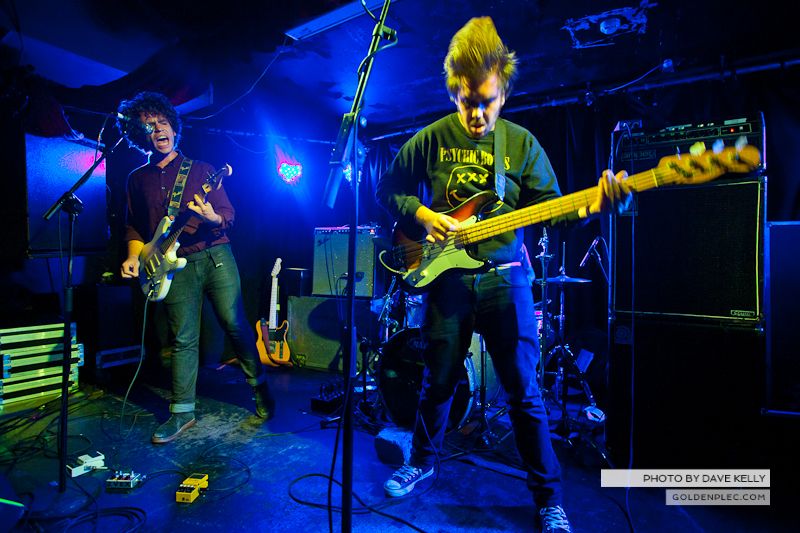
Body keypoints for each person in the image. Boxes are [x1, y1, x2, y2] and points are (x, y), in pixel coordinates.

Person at [375, 17, 630, 532]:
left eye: (487, 100)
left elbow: (553, 209)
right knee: (438, 381)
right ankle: (422, 462)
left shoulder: (522, 145)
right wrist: (425, 216)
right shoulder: (429, 140)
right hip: (445, 278)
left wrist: (593, 205)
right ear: (453, 93)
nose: (477, 112)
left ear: (504, 94)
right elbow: (389, 191)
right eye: (467, 100)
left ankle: (548, 499)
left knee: (524, 394)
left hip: (506, 277)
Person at [118, 91, 274, 444]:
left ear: (173, 126)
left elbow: (228, 217)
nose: (158, 130)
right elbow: (135, 228)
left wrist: (211, 216)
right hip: (173, 264)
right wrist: (132, 256)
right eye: (147, 126)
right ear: (136, 135)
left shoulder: (202, 170)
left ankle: (260, 389)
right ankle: (181, 412)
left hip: (215, 255)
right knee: (182, 338)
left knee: (234, 324)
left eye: (162, 122)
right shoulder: (136, 179)